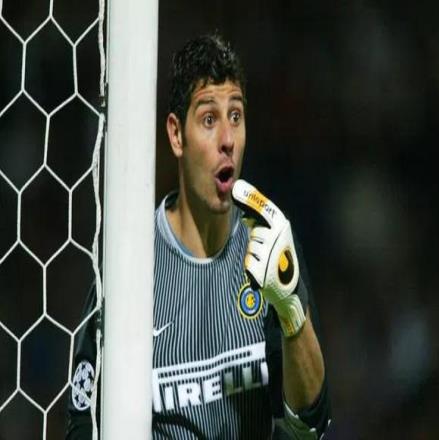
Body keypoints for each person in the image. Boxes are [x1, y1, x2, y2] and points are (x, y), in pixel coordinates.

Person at [67, 33, 331, 439]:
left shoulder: (268, 244)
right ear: (177, 135)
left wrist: (292, 311)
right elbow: (82, 422)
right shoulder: (130, 261)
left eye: (236, 116)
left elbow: (310, 425)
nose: (228, 139)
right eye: (209, 120)